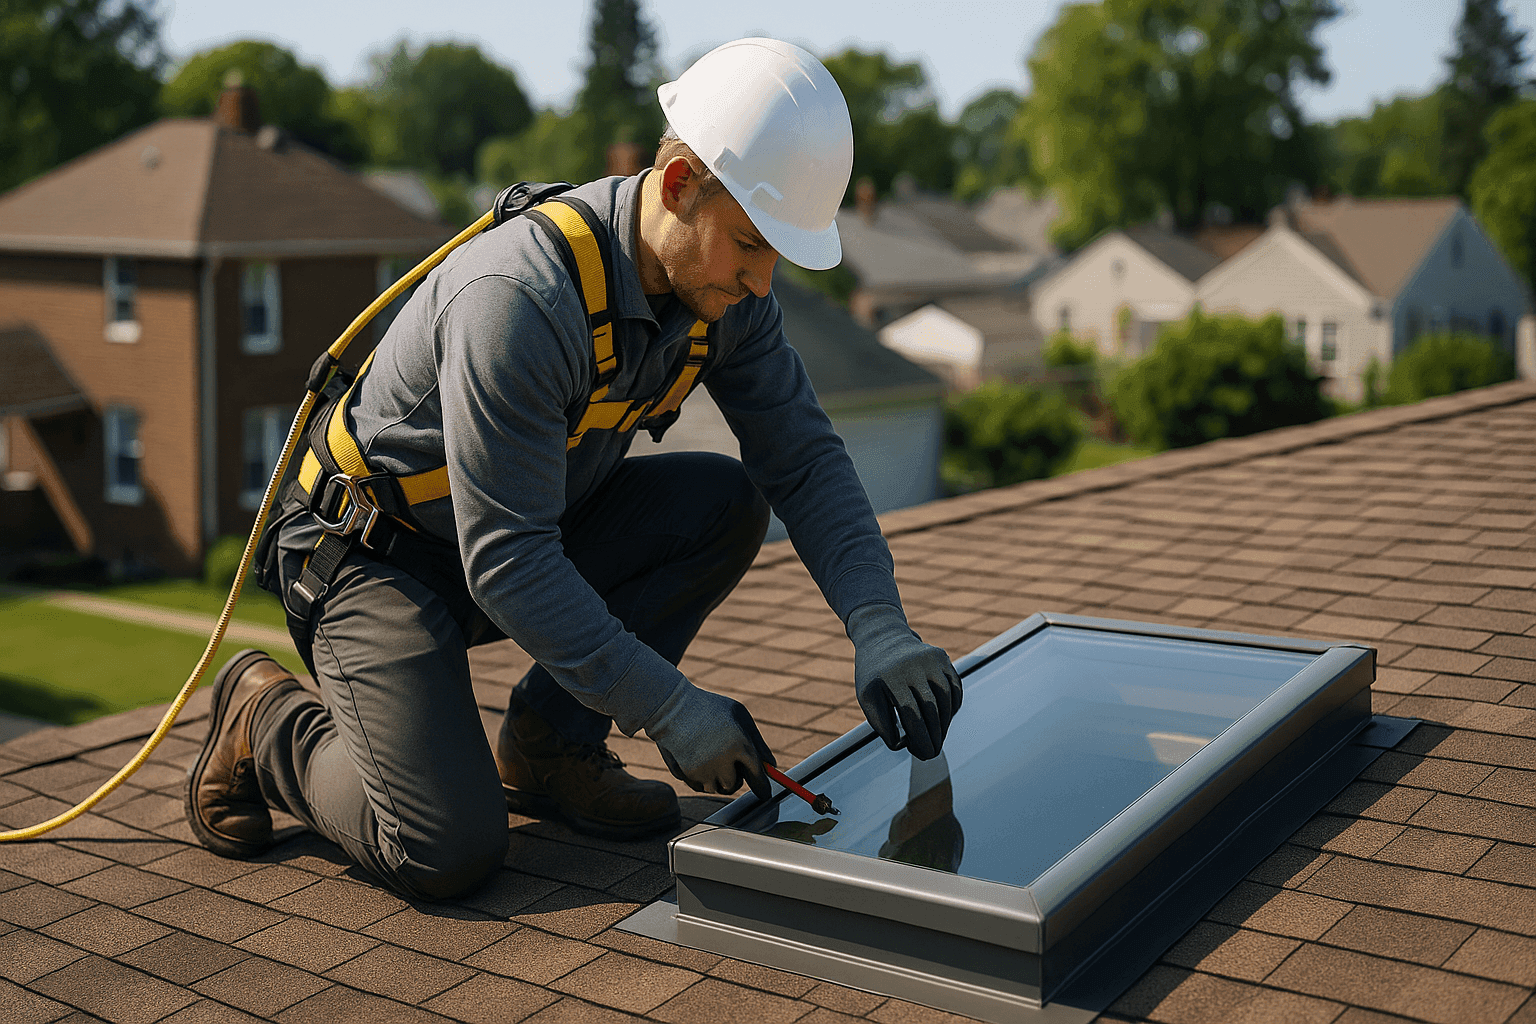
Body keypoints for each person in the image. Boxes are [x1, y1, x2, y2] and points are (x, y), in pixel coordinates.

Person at [185, 38, 962, 901]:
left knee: (723, 503)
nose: (760, 279)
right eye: (750, 244)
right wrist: (667, 707)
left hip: (512, 534)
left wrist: (879, 626)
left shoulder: (726, 297)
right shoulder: (520, 301)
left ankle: (549, 746)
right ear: (677, 187)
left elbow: (806, 461)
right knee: (444, 848)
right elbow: (509, 561)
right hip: (373, 553)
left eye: (777, 253)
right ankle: (264, 719)